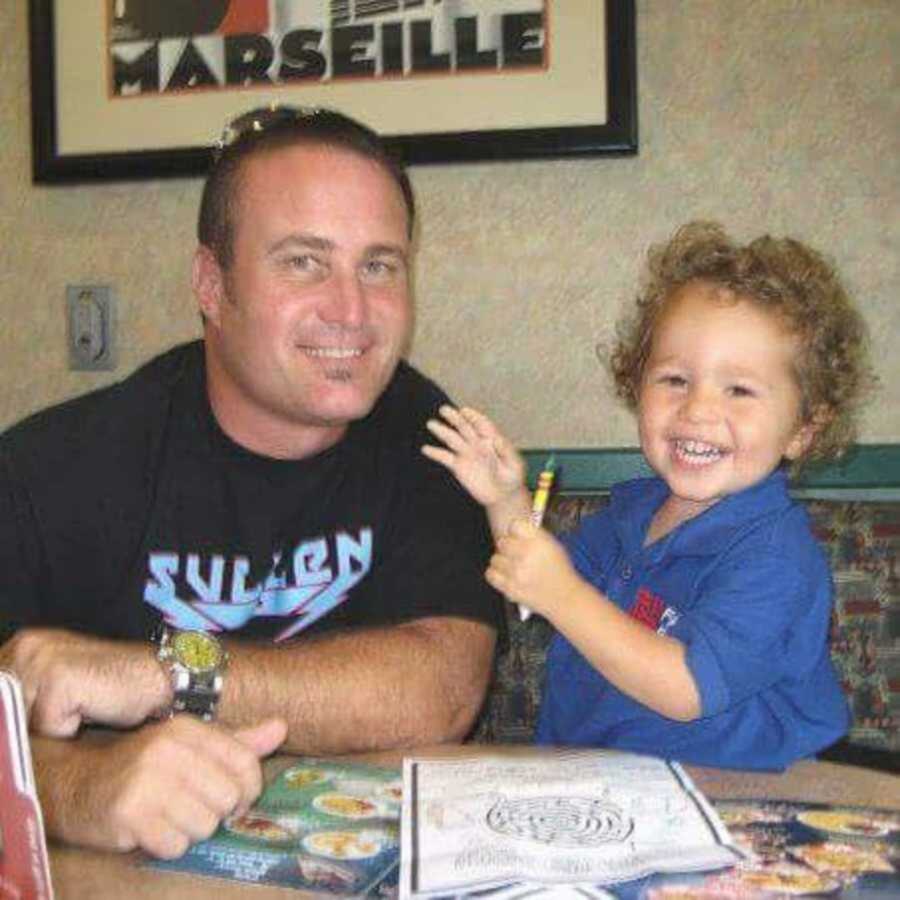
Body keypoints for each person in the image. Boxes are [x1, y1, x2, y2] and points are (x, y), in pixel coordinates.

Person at [0, 105, 502, 858]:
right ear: (211, 282)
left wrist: (165, 676)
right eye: (303, 261)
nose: (351, 311)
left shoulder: (434, 439)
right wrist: (76, 786)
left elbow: (441, 689)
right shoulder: (55, 470)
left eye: (379, 265)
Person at [423, 221, 876, 771]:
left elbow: (686, 689)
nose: (698, 410)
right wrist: (504, 499)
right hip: (598, 771)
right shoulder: (630, 513)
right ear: (636, 385)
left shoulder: (777, 557)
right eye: (675, 380)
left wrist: (562, 593)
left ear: (803, 428)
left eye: (739, 389)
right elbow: (532, 587)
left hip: (737, 794)